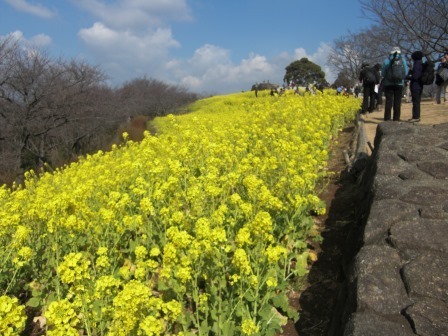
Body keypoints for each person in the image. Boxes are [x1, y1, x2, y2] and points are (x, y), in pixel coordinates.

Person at [381, 47, 409, 121]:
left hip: (388, 84)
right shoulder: (402, 60)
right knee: (397, 101)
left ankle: (387, 119)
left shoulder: (387, 60)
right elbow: (406, 72)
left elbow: (383, 73)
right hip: (399, 84)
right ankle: (396, 119)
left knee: (388, 101)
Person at [407, 51, 424, 122]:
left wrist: (408, 77)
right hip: (420, 85)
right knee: (417, 101)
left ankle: (416, 117)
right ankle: (415, 116)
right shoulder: (421, 63)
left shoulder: (417, 64)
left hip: (415, 85)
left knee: (416, 102)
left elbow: (415, 76)